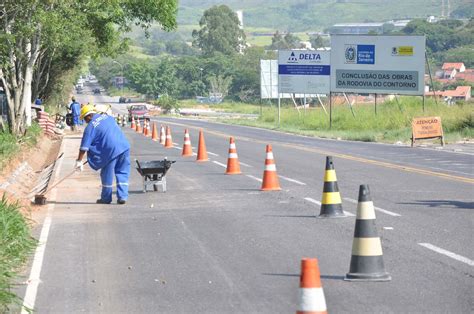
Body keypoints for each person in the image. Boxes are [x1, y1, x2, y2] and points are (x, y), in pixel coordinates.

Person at [76, 104, 130, 204]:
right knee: (122, 172)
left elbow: (84, 147)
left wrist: (79, 161)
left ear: (88, 116)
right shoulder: (108, 117)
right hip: (124, 147)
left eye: (85, 119)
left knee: (106, 174)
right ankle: (123, 197)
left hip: (110, 152)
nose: (85, 121)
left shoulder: (90, 127)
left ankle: (106, 198)